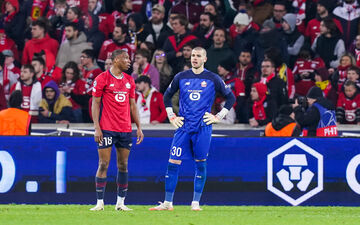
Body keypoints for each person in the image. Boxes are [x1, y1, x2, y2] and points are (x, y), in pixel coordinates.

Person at [149, 47, 235, 211]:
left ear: (205, 58)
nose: (194, 58)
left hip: (203, 127)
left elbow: (231, 97)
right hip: (184, 127)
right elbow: (166, 96)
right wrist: (171, 116)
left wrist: (218, 117)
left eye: (198, 56)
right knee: (173, 162)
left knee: (200, 163)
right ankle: (168, 203)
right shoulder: (181, 77)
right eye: (193, 55)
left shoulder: (213, 78)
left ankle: (195, 202)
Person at [90, 49, 144, 211]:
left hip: (125, 129)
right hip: (106, 129)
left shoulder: (129, 81)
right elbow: (95, 103)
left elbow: (133, 105)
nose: (129, 61)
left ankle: (120, 203)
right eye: (125, 58)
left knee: (123, 165)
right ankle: (100, 203)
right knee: (103, 163)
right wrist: (97, 128)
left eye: (129, 58)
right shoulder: (102, 79)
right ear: (114, 61)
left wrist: (139, 127)